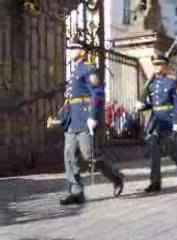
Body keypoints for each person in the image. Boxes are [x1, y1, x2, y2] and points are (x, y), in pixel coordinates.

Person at [47, 39, 124, 205]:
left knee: (90, 155)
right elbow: (70, 101)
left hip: (84, 118)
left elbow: (97, 95)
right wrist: (60, 119)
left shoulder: (89, 69)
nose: (70, 51)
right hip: (73, 120)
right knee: (69, 155)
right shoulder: (74, 72)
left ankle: (116, 177)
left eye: (74, 48)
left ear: (82, 51)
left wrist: (93, 116)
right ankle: (76, 192)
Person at [135, 54, 177, 192]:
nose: (156, 67)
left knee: (171, 150)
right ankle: (155, 182)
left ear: (166, 67)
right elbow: (152, 104)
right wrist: (142, 105)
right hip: (155, 121)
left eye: (159, 64)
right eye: (155, 65)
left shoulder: (172, 82)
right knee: (154, 152)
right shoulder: (151, 85)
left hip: (167, 120)